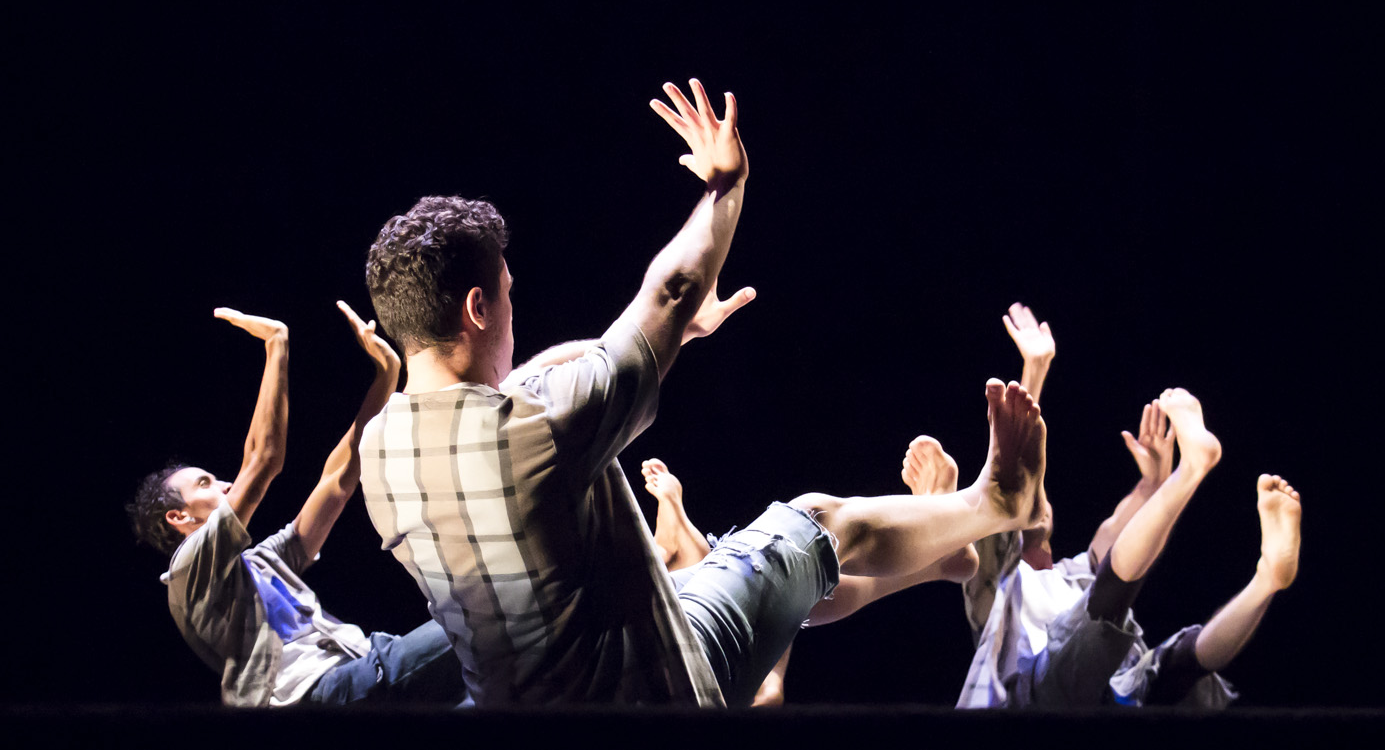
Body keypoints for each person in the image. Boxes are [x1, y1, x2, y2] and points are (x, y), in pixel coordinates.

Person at [359, 78, 1049, 707]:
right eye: (507, 295)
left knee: (755, 572)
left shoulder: (380, 453)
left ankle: (936, 558)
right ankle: (993, 503)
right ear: (478, 308)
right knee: (816, 522)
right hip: (651, 686)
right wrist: (726, 187)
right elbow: (671, 289)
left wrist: (672, 336)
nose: (514, 310)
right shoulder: (538, 431)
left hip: (533, 697)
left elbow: (521, 391)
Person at [936, 304, 1302, 708]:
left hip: (1118, 695)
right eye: (1029, 502)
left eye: (1041, 499)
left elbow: (1118, 537)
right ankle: (1192, 470)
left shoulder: (1074, 575)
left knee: (1178, 663)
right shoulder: (999, 576)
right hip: (1033, 703)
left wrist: (1152, 484)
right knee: (1102, 611)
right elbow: (1008, 479)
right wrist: (1034, 371)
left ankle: (1267, 578)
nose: (1037, 502)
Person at [127, 302, 466, 707]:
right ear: (178, 516)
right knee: (482, 619)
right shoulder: (189, 571)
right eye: (205, 483)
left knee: (501, 690)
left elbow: (336, 481)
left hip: (358, 669)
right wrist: (277, 343)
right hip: (318, 693)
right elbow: (262, 460)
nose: (226, 483)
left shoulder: (263, 563)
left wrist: (387, 375)